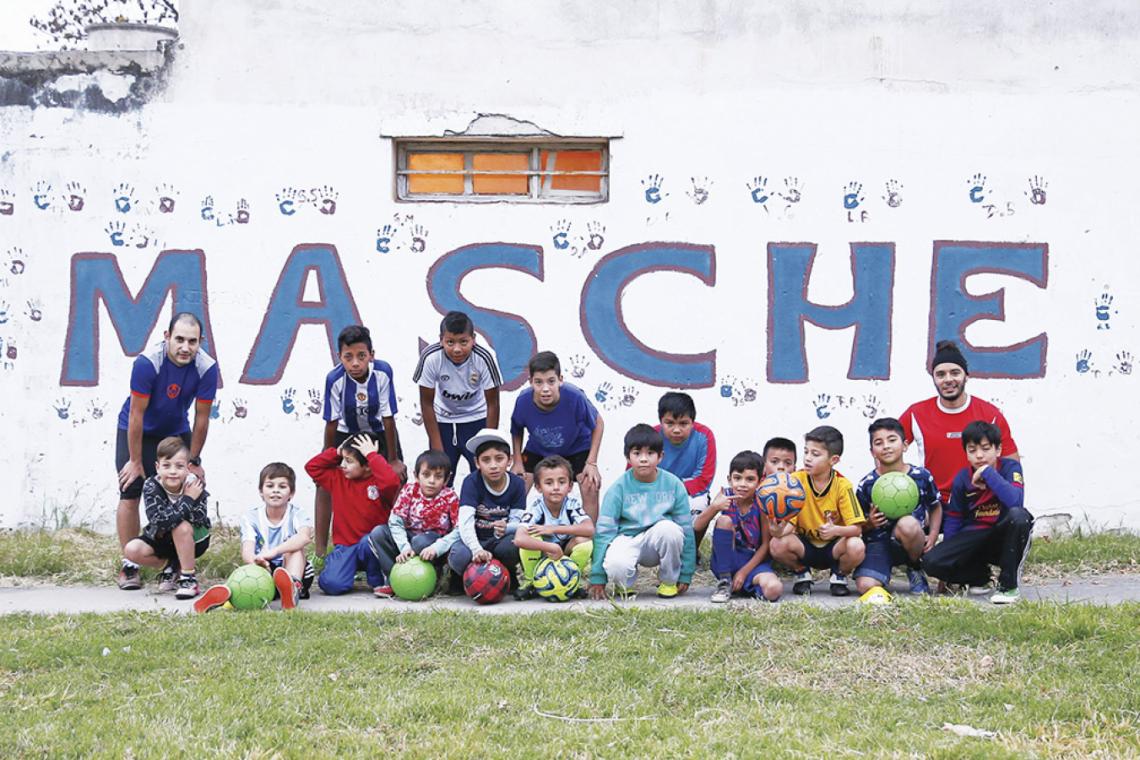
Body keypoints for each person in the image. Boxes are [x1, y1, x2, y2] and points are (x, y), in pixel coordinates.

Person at [115, 312, 217, 590]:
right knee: (131, 488)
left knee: (182, 491)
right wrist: (136, 461)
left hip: (175, 429)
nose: (185, 347)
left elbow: (202, 417)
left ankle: (177, 565)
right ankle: (130, 565)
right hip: (138, 429)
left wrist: (194, 460)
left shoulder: (206, 368)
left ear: (201, 342)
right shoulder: (148, 363)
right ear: (167, 337)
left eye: (192, 341)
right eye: (180, 339)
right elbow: (137, 415)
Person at [315, 325, 405, 556]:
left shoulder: (383, 372)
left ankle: (399, 546)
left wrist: (393, 459)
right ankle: (320, 552)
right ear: (340, 357)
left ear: (371, 355)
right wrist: (329, 455)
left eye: (361, 356)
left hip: (379, 433)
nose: (355, 363)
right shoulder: (334, 379)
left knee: (397, 479)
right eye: (348, 357)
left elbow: (388, 418)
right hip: (346, 434)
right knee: (324, 484)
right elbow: (331, 422)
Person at [921, 421, 1032, 604]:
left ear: (998, 450)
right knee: (931, 562)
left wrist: (988, 472)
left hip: (1002, 535)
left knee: (1019, 517)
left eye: (985, 449)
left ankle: (1008, 586)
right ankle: (979, 576)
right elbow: (954, 518)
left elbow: (1015, 501)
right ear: (966, 453)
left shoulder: (1010, 468)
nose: (979, 455)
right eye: (972, 450)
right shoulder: (962, 478)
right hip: (974, 536)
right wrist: (949, 560)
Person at [899, 340, 1019, 505]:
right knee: (905, 526)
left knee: (1018, 518)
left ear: (966, 376)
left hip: (979, 501)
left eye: (955, 373)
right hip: (935, 503)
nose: (948, 379)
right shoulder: (915, 414)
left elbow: (1011, 463)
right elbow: (887, 448)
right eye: (940, 374)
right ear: (933, 378)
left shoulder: (990, 414)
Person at [589, 424, 695, 600]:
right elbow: (604, 533)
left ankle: (669, 582)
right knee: (616, 564)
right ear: (628, 457)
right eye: (637, 453)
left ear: (660, 456)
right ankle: (625, 585)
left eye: (650, 453)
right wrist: (598, 577)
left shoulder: (674, 484)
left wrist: (686, 573)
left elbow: (686, 529)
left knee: (670, 529)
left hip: (658, 538)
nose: (644, 459)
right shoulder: (618, 488)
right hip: (628, 538)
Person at [195, 462, 314, 612]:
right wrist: (257, 562)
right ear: (261, 491)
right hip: (264, 570)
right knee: (249, 575)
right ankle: (226, 596)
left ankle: (292, 588)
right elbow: (247, 551)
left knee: (295, 550)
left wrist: (274, 551)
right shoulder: (251, 517)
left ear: (291, 493)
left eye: (282, 487)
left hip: (296, 570)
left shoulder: (298, 513)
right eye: (270, 486)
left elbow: (304, 537)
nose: (275, 491)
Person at [768, 426, 866, 596]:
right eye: (806, 452)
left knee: (856, 546)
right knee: (776, 544)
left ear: (833, 460)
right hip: (805, 546)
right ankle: (801, 573)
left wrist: (835, 530)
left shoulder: (843, 486)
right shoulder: (795, 481)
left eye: (815, 454)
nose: (807, 458)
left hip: (834, 547)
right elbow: (791, 523)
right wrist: (778, 532)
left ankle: (839, 575)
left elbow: (856, 529)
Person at [852, 419, 941, 598]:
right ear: (872, 452)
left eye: (892, 440)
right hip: (878, 543)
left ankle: (914, 567)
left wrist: (932, 534)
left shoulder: (921, 476)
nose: (886, 446)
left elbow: (935, 506)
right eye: (879, 443)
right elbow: (856, 524)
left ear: (905, 445)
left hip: (910, 541)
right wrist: (869, 523)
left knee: (908, 523)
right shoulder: (866, 484)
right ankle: (881, 572)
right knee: (865, 586)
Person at [510, 351, 604, 520]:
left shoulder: (575, 397)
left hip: (577, 447)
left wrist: (592, 462)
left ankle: (589, 537)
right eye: (538, 382)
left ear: (560, 379)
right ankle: (513, 534)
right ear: (530, 382)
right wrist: (517, 461)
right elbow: (517, 429)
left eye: (551, 381)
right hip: (538, 449)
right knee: (517, 483)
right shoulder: (523, 401)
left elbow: (598, 424)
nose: (545, 389)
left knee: (590, 483)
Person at [412, 310, 502, 485]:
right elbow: (426, 403)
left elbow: (493, 403)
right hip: (443, 421)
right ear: (441, 339)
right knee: (441, 478)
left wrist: (487, 440)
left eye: (463, 342)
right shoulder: (431, 358)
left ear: (473, 339)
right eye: (450, 342)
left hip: (476, 420)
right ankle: (442, 513)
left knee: (481, 478)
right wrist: (436, 444)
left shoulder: (484, 358)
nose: (457, 349)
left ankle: (479, 512)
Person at [305, 433, 400, 595]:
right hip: (345, 547)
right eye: (343, 460)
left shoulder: (379, 483)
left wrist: (372, 455)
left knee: (367, 542)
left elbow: (392, 481)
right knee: (330, 584)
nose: (342, 465)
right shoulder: (338, 478)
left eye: (349, 461)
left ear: (368, 466)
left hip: (372, 547)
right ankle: (345, 571)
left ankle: (377, 580)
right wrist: (337, 452)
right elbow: (311, 467)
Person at [122, 436, 211, 599]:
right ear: (157, 467)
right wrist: (187, 499)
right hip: (163, 537)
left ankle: (188, 578)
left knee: (181, 527)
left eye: (179, 466)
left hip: (194, 540)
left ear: (188, 468)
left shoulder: (194, 485)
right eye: (166, 465)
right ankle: (171, 566)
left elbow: (198, 517)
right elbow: (158, 520)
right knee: (131, 550)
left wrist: (186, 502)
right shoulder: (151, 485)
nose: (172, 471)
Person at [369, 450, 461, 599]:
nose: (431, 481)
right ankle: (395, 581)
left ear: (446, 479)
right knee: (378, 533)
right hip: (409, 540)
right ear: (416, 475)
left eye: (438, 477)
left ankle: (432, 578)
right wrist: (404, 547)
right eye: (426, 475)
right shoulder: (409, 491)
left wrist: (437, 548)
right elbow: (395, 522)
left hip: (433, 544)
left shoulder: (450, 497)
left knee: (420, 541)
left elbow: (459, 530)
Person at [700, 450, 782, 603]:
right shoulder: (725, 497)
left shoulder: (762, 502)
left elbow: (765, 545)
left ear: (760, 481)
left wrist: (744, 572)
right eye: (737, 478)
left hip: (753, 562)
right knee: (724, 520)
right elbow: (698, 525)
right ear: (729, 479)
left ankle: (746, 586)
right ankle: (725, 583)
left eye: (750, 479)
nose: (743, 484)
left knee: (774, 589)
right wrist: (714, 507)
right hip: (728, 560)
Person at [449, 429, 527, 587]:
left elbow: (517, 519)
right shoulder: (471, 482)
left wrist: (507, 528)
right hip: (473, 540)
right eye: (486, 460)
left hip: (498, 541)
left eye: (499, 459)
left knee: (515, 545)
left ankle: (506, 573)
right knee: (459, 555)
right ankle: (462, 578)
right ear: (477, 463)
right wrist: (476, 549)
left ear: (509, 460)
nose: (493, 466)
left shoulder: (517, 484)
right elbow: (465, 522)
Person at [513, 455, 595, 600]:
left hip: (565, 553)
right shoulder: (536, 507)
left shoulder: (572, 504)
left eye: (561, 482)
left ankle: (573, 580)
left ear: (570, 486)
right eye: (549, 483)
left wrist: (554, 529)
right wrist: (549, 547)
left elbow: (589, 529)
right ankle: (531, 581)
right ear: (538, 487)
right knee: (530, 535)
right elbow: (519, 538)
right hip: (545, 554)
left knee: (585, 542)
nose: (556, 487)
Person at [654, 392, 717, 549]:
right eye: (670, 423)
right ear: (661, 421)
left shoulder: (705, 436)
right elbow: (633, 474)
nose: (676, 430)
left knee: (701, 504)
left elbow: (703, 480)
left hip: (690, 494)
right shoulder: (650, 436)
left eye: (683, 424)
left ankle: (691, 551)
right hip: (654, 492)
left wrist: (672, 488)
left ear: (692, 422)